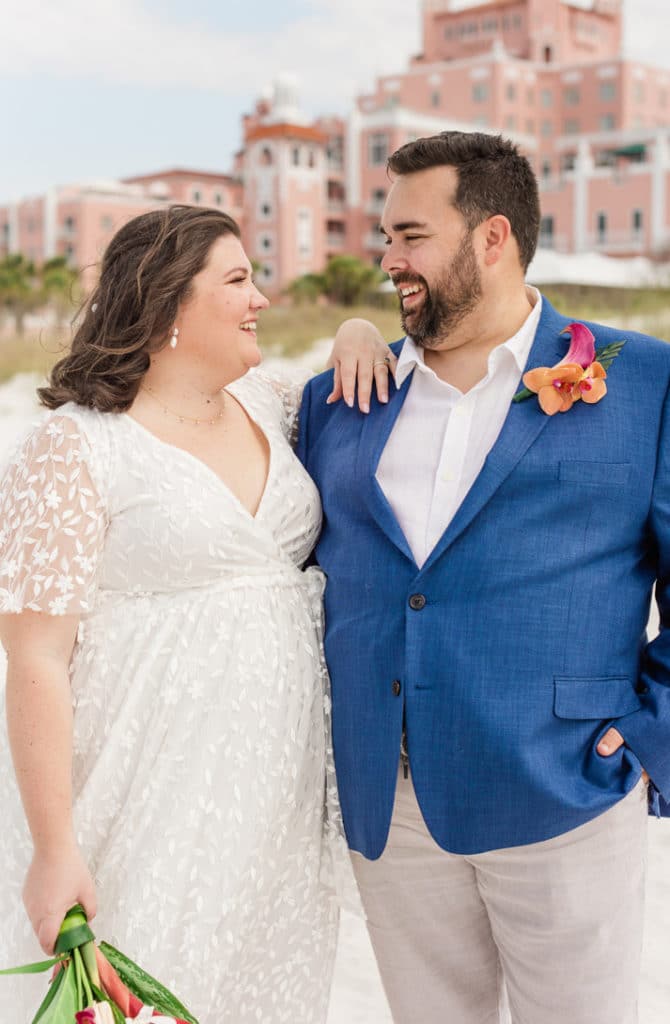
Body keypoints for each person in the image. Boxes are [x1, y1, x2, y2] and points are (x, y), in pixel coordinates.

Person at [297, 131, 670, 1024]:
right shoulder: (341, 396)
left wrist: (652, 731)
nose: (387, 259)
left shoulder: (644, 381)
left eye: (409, 236)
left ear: (492, 236)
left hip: (565, 787)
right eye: (385, 236)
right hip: (390, 804)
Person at [0, 205, 389, 1022]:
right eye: (240, 280)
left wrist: (357, 326)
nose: (263, 300)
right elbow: (34, 658)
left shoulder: (269, 403)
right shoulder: (76, 446)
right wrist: (55, 847)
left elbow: (346, 380)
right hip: (144, 784)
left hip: (274, 799)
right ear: (171, 301)